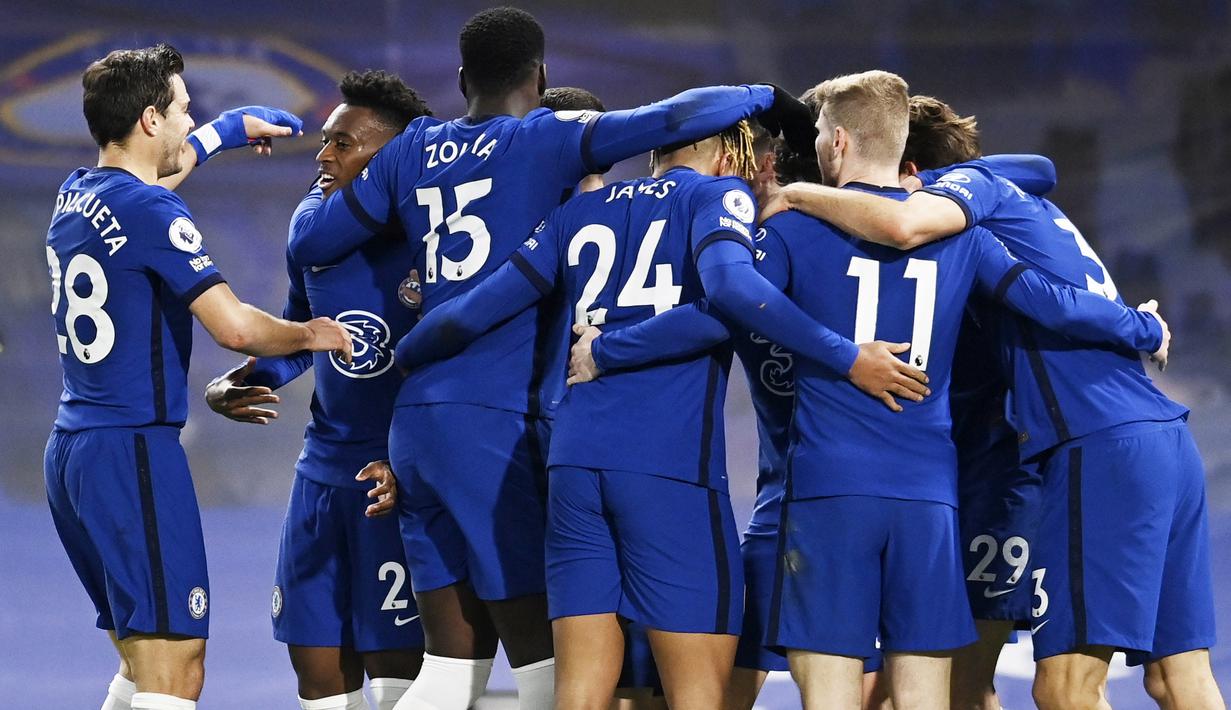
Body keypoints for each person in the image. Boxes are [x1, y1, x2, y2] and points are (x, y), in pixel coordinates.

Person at [286, 7, 824, 709]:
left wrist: (408, 350)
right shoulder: (550, 143)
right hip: (505, 425)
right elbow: (671, 120)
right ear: (539, 78)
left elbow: (314, 243)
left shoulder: (411, 148)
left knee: (450, 671)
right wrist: (766, 96)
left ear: (461, 78)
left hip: (418, 424)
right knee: (546, 667)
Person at [763, 92, 1224, 710]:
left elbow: (905, 225)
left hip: (1091, 451)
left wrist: (795, 195)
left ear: (913, 174)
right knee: (1177, 678)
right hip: (1159, 439)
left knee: (1061, 690)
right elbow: (1037, 172)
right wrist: (1134, 324)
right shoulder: (1016, 197)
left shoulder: (966, 209)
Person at [43, 44, 352, 710]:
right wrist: (310, 334)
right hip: (133, 453)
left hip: (75, 452)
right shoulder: (152, 212)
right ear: (151, 119)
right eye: (185, 110)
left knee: (141, 660)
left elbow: (152, 189)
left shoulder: (77, 194)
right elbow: (234, 329)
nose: (191, 121)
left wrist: (223, 133)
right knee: (175, 667)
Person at [204, 69, 433, 710]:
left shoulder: (434, 239)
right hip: (321, 477)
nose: (323, 156)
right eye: (325, 140)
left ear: (391, 157)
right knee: (317, 673)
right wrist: (247, 377)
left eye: (343, 143)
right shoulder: (314, 238)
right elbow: (302, 336)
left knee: (397, 680)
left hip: (394, 484)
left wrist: (419, 461)